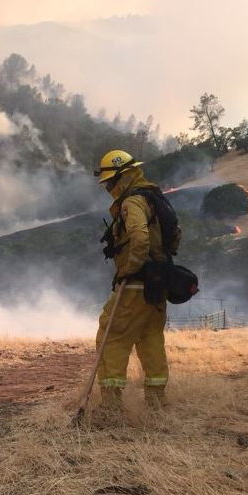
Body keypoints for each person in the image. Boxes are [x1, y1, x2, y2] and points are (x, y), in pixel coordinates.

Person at [93, 150, 180, 410]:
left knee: (112, 337)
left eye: (110, 182)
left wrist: (129, 270)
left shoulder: (132, 202)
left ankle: (110, 407)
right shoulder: (155, 198)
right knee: (151, 338)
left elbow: (139, 238)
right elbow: (175, 235)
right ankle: (156, 404)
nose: (108, 187)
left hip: (135, 285)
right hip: (159, 283)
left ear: (123, 177)